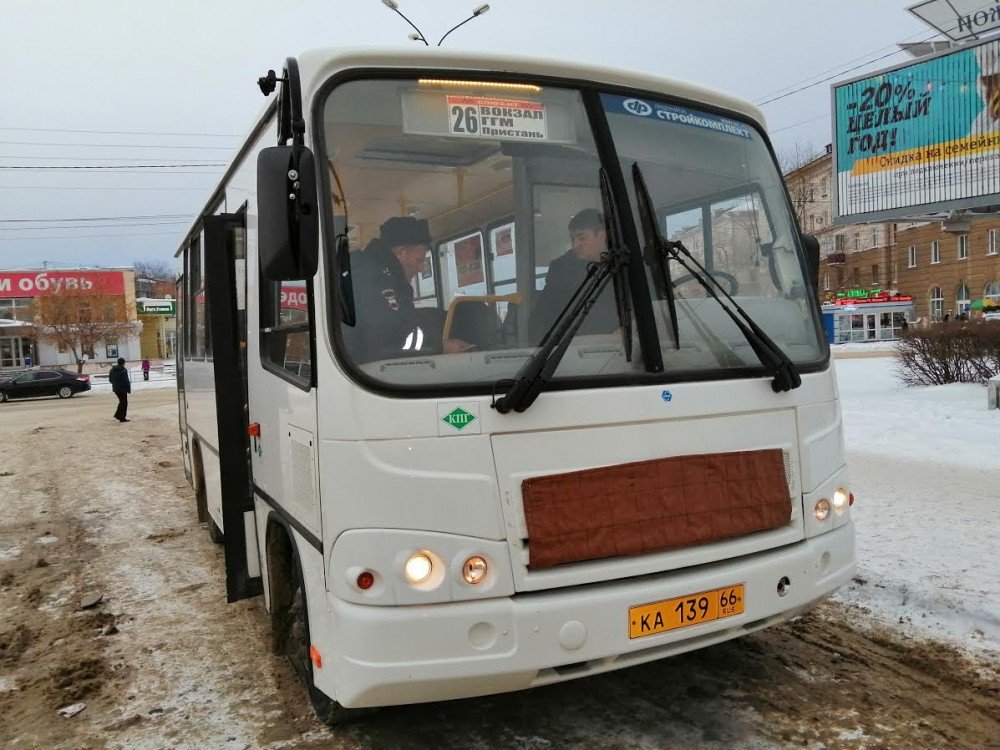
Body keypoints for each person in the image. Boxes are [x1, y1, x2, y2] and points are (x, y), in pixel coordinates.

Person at [344, 216, 471, 364]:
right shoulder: (374, 279)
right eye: (419, 260)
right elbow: (388, 339)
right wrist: (439, 347)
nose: (421, 268)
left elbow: (400, 325)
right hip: (364, 373)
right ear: (401, 252)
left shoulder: (375, 272)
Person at [528, 208, 620, 344]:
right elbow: (542, 316)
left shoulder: (622, 264)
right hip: (573, 348)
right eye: (573, 239)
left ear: (602, 236)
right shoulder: (561, 269)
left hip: (618, 350)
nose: (575, 244)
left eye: (582, 238)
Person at [109, 357, 131, 423]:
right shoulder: (123, 370)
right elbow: (126, 380)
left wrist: (115, 384)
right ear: (123, 363)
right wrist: (128, 388)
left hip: (116, 389)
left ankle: (118, 415)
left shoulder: (112, 370)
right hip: (123, 389)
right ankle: (121, 417)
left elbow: (110, 379)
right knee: (124, 403)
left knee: (122, 402)